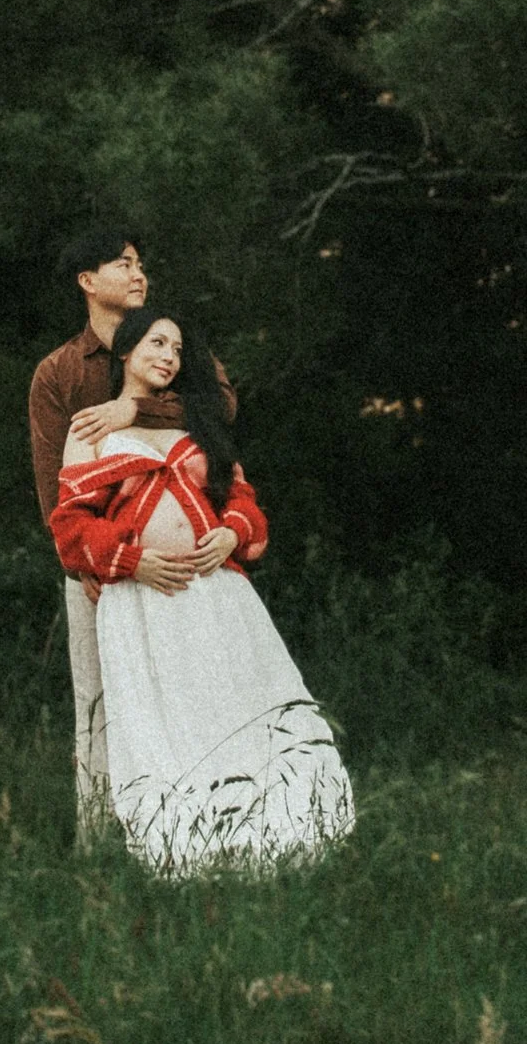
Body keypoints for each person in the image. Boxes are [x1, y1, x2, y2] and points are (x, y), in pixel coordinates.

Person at [52, 306, 353, 874]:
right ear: (126, 351)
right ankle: (182, 840)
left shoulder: (198, 429)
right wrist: (133, 561)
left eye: (178, 349)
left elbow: (243, 502)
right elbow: (71, 526)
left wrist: (228, 533)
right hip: (141, 602)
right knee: (166, 717)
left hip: (214, 595)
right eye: (157, 343)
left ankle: (267, 827)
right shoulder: (93, 427)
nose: (169, 356)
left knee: (232, 704)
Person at [29, 224, 215, 831]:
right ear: (88, 282)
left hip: (182, 574)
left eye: (141, 264)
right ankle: (98, 842)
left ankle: (186, 831)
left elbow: (222, 410)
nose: (139, 274)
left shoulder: (173, 347)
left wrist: (136, 406)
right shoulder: (58, 373)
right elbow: (52, 484)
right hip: (95, 572)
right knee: (99, 705)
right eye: (123, 263)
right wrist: (81, 565)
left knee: (188, 698)